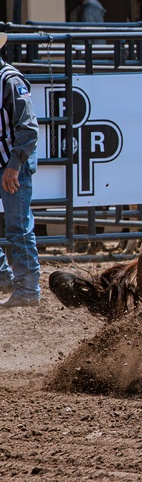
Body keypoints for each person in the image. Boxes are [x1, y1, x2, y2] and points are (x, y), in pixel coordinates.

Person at [0, 34, 41, 307]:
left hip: (11, 163)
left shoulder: (10, 80)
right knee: (17, 225)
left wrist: (14, 166)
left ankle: (28, 289)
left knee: (18, 226)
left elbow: (28, 129)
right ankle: (4, 277)